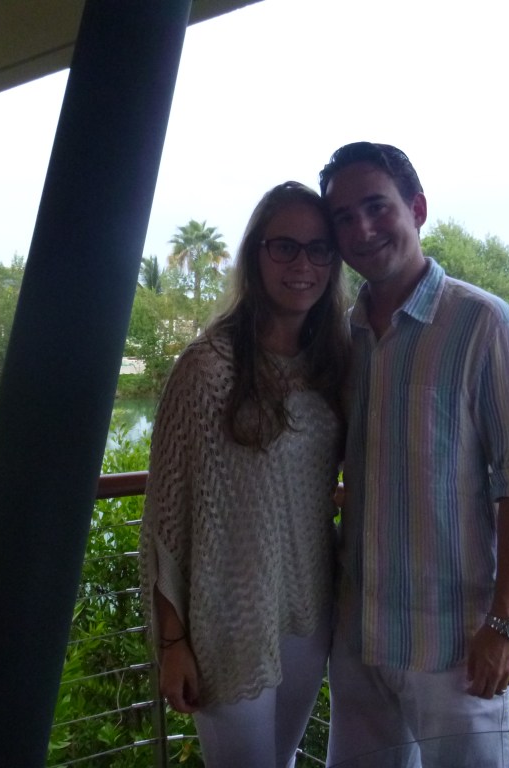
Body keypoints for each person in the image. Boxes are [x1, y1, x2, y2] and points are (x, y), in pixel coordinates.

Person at [319, 142, 509, 768]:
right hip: (359, 634)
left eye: (377, 207)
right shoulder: (346, 334)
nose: (362, 229)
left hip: (455, 644)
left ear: (417, 209)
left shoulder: (482, 323)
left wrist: (505, 625)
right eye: (344, 217)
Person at [139, 181, 349, 767]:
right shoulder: (206, 370)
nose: (303, 264)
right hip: (227, 624)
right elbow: (165, 522)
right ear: (255, 254)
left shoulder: (331, 363)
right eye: (284, 247)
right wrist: (172, 643)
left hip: (308, 613)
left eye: (319, 248)